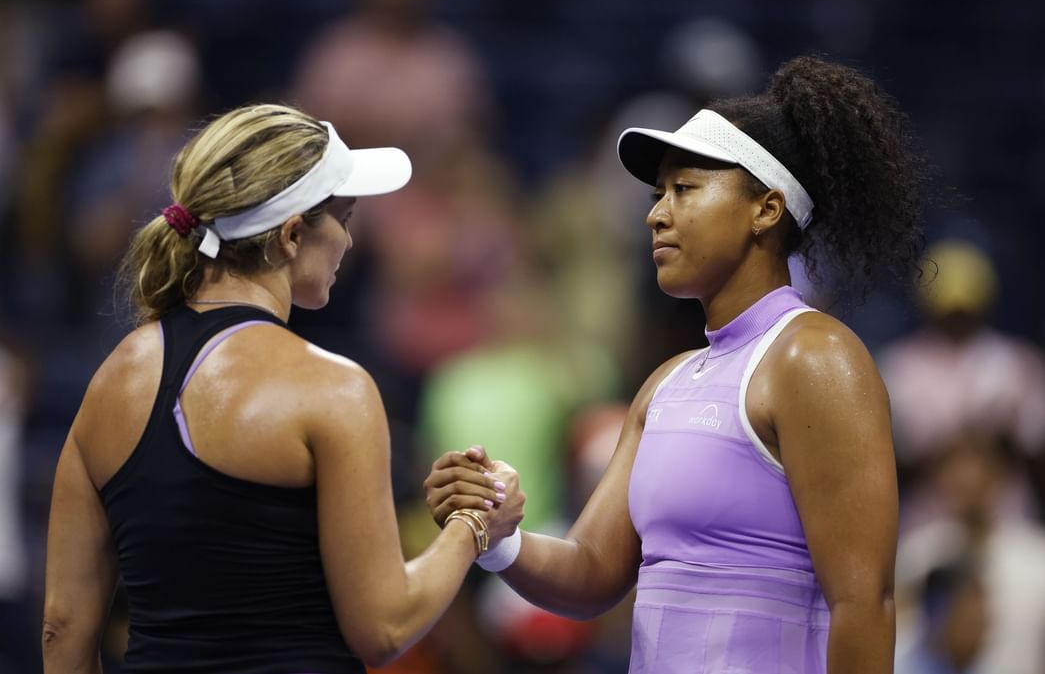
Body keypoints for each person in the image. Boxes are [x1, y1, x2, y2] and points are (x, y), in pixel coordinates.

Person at [424, 56, 925, 673]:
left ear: (766, 209)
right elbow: (589, 574)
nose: (656, 214)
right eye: (658, 193)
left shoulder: (814, 357)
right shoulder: (665, 383)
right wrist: (496, 538)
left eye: (684, 189)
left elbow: (864, 603)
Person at [42, 103, 523, 673]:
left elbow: (62, 629)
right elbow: (384, 626)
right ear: (292, 235)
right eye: (343, 217)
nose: (350, 239)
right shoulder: (334, 389)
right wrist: (474, 526)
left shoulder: (110, 381)